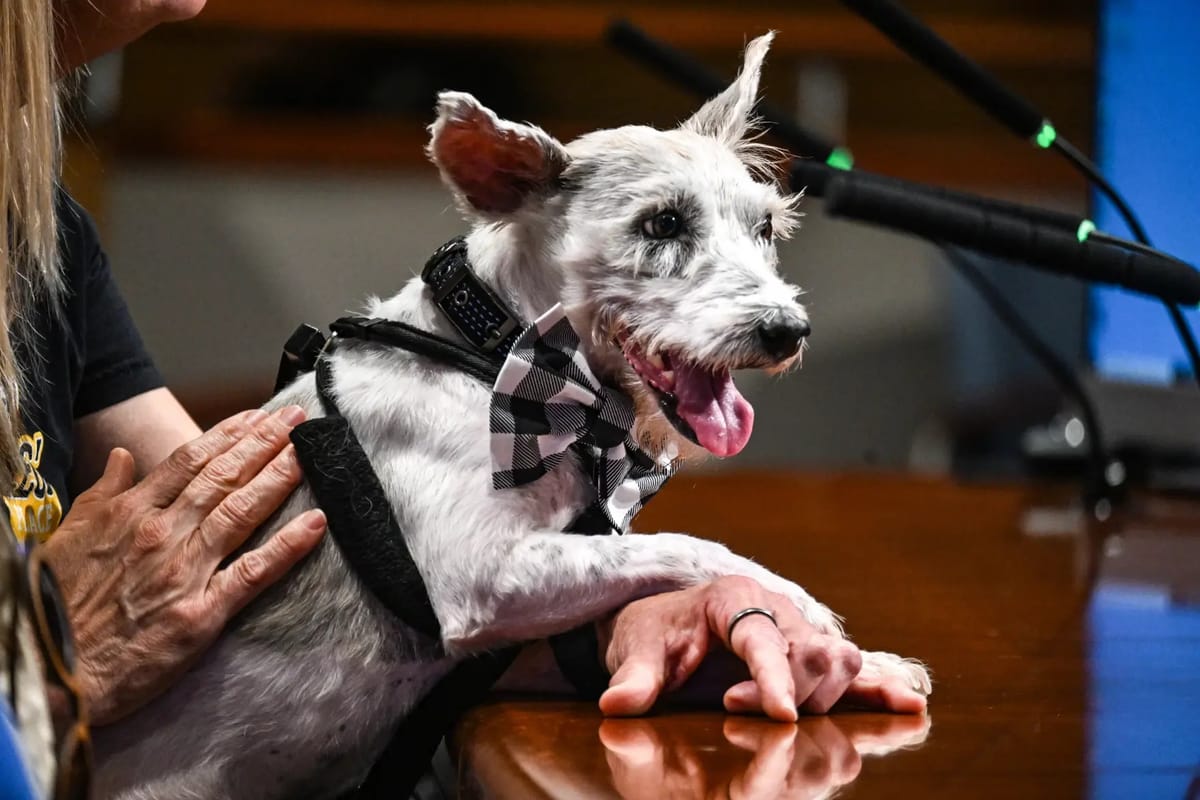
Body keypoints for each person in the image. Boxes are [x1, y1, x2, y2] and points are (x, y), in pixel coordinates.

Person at [2, 0, 925, 792]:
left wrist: (626, 626)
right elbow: (464, 593)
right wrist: (36, 666)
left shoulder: (45, 236)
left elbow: (241, 550)